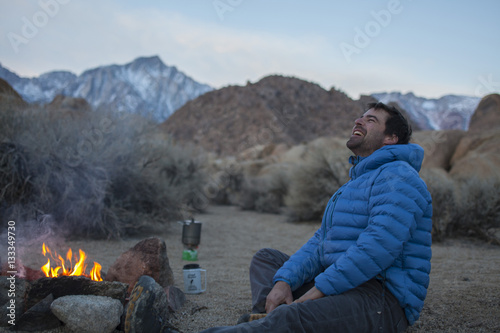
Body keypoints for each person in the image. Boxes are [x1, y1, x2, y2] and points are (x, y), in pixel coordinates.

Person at [201, 102, 432, 333]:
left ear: (390, 138)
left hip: (381, 299)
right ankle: (269, 317)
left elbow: (378, 247)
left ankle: (276, 321)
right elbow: (321, 243)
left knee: (293, 317)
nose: (358, 121)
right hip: (343, 283)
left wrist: (320, 289)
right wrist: (285, 282)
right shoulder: (356, 182)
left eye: (371, 120)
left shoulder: (400, 176)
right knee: (267, 260)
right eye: (360, 117)